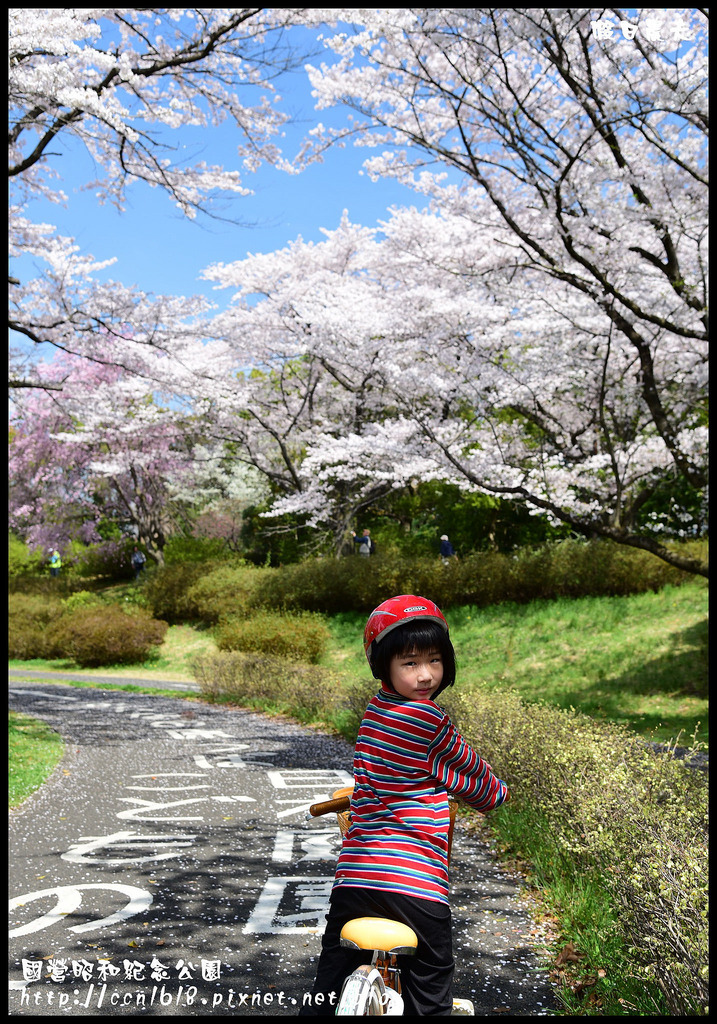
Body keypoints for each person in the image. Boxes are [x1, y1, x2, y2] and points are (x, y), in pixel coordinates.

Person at [300, 594, 510, 1016]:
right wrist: (499, 794)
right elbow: (476, 780)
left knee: (327, 985)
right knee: (433, 980)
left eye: (434, 660)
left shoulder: (373, 713)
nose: (426, 675)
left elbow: (374, 772)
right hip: (414, 886)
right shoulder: (431, 722)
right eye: (410, 663)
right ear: (385, 666)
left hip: (354, 881)